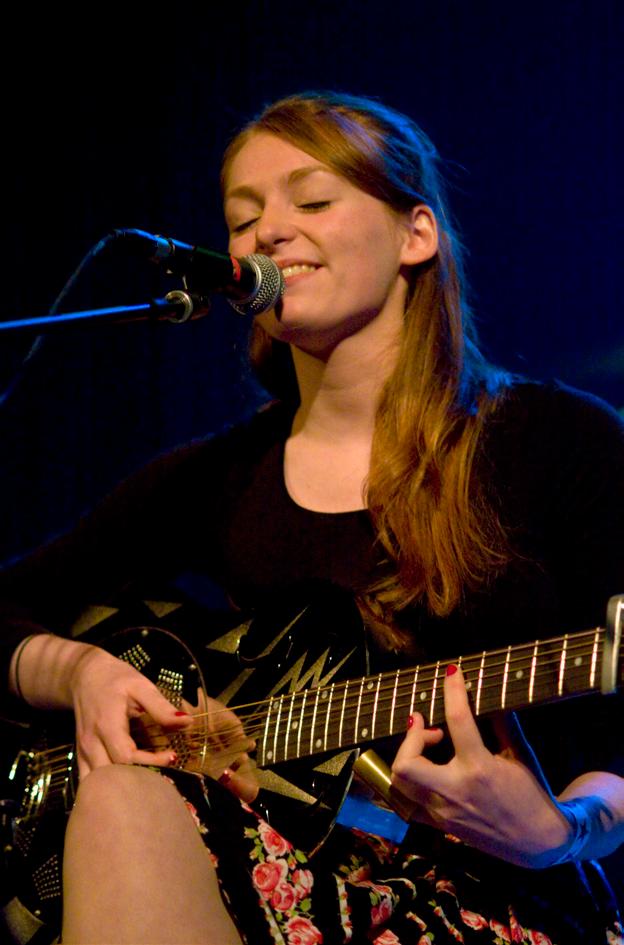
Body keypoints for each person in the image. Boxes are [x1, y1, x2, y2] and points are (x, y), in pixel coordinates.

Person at [1, 90, 624, 945]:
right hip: (269, 889)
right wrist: (80, 673)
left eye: (314, 201)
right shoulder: (216, 476)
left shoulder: (561, 442)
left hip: (497, 901)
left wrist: (561, 831)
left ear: (416, 234)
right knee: (121, 795)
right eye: (242, 218)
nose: (268, 232)